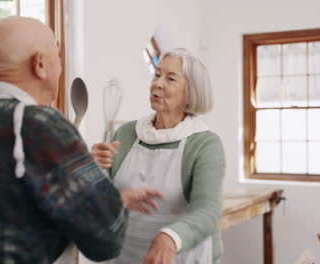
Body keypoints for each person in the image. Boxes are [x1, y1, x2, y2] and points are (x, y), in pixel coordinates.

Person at [0, 17, 164, 264]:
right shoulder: (41, 124)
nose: (60, 67)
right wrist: (110, 202)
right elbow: (105, 240)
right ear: (41, 64)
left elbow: (11, 209)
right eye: (57, 57)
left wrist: (108, 198)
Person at [92, 48, 226, 264]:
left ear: (190, 93)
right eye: (157, 74)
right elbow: (100, 201)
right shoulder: (125, 134)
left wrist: (169, 237)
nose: (158, 83)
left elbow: (208, 212)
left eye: (170, 78)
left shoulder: (205, 144)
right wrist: (92, 168)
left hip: (183, 257)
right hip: (127, 256)